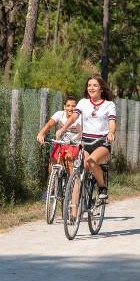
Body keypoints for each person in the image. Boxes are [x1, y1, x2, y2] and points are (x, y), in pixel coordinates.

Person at [56, 75, 117, 210]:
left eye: (95, 85)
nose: (91, 88)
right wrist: (63, 128)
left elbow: (112, 122)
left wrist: (111, 133)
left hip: (102, 142)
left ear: (101, 88)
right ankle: (83, 200)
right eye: (89, 85)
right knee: (80, 169)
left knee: (91, 162)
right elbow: (73, 117)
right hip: (86, 142)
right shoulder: (83, 102)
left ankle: (102, 188)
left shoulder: (109, 105)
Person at [36, 96, 82, 177]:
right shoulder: (60, 114)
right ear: (64, 107)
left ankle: (71, 185)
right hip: (61, 143)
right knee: (52, 162)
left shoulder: (80, 118)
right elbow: (49, 124)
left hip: (74, 144)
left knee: (69, 160)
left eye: (73, 106)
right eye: (68, 106)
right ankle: (53, 186)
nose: (70, 108)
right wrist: (41, 133)